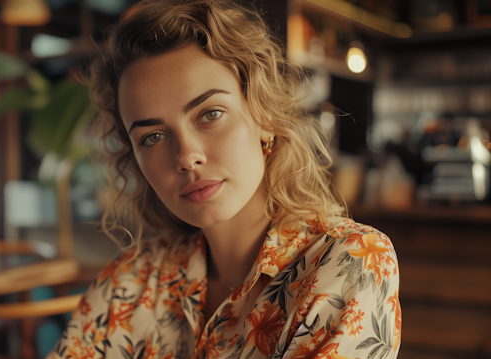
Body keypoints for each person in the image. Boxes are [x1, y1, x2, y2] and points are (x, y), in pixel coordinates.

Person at [48, 0, 401, 358]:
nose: (186, 157)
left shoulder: (349, 261)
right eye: (152, 137)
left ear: (262, 116)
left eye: (210, 114)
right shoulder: (130, 280)